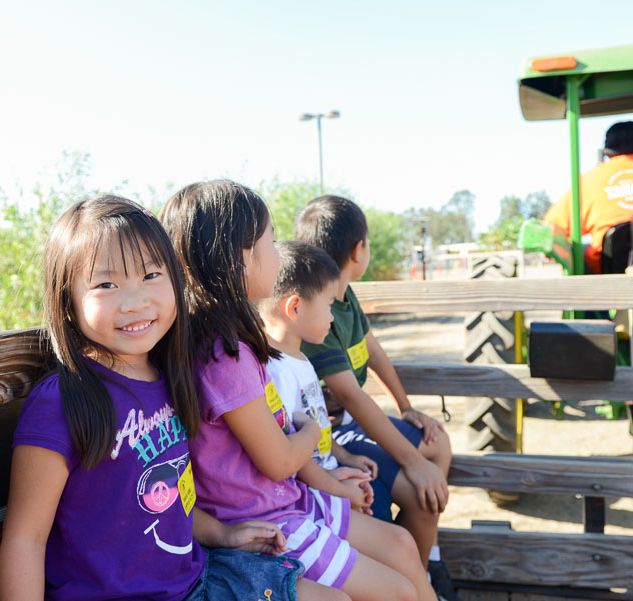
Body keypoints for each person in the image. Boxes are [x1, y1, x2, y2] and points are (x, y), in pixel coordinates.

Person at [0, 195, 310, 601]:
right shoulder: (61, 404)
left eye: (150, 276)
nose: (135, 301)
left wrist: (224, 533)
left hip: (195, 579)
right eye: (106, 284)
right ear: (68, 303)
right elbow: (26, 539)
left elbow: (173, 499)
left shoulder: (169, 379)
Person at [160, 179, 437, 601]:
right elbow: (278, 459)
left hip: (290, 498)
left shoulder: (228, 340)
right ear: (243, 258)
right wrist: (309, 432)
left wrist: (327, 471)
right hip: (269, 520)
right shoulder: (224, 355)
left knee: (400, 545)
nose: (278, 251)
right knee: (397, 592)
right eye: (271, 241)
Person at [294, 195, 457, 601]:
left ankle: (426, 562)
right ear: (359, 250)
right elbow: (351, 396)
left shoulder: (345, 300)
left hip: (345, 431)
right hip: (332, 437)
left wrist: (405, 406)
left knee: (438, 445)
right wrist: (413, 462)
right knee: (418, 488)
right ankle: (419, 576)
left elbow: (375, 350)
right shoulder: (319, 311)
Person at [258, 240, 378, 515]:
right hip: (310, 495)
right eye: (328, 305)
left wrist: (346, 458)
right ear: (295, 308)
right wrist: (338, 489)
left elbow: (318, 426)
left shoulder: (299, 359)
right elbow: (289, 454)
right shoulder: (277, 372)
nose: (332, 318)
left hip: (327, 476)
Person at [543, 120, 633, 274]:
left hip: (609, 267)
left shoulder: (591, 178)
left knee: (580, 250)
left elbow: (553, 225)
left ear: (607, 146)